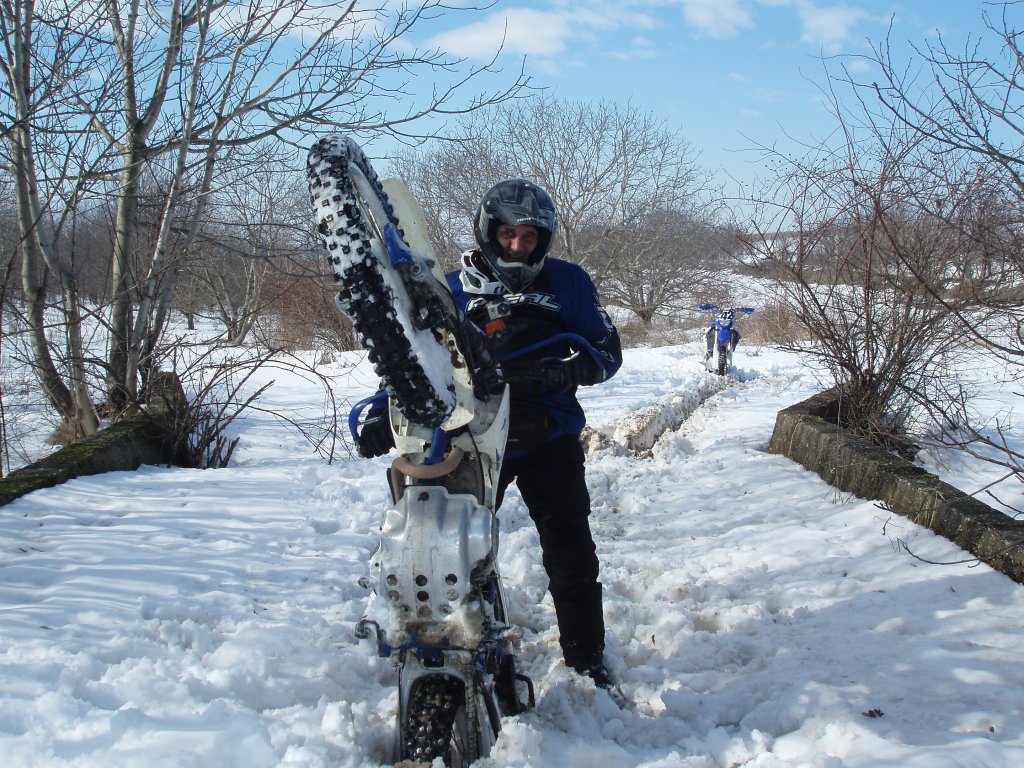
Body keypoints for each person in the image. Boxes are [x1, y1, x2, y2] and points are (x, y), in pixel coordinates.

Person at [357, 178, 623, 690]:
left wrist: (570, 368)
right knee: (446, 548)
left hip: (548, 434)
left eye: (528, 236)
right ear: (488, 232)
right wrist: (379, 411)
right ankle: (451, 646)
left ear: (543, 239)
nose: (517, 245)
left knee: (571, 554)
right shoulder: (450, 288)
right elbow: (414, 360)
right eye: (507, 234)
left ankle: (588, 660)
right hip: (471, 440)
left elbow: (607, 350)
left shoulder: (569, 282)